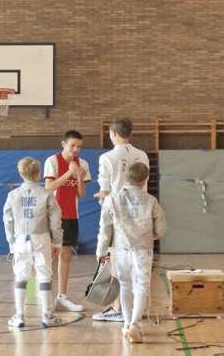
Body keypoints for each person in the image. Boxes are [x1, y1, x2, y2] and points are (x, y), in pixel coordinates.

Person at [95, 162, 166, 343]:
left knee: (125, 285)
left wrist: (101, 250)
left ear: (124, 178)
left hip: (121, 249)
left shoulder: (112, 198)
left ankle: (126, 324)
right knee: (142, 285)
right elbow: (161, 227)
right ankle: (134, 323)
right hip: (143, 249)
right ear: (144, 181)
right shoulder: (151, 200)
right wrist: (154, 235)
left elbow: (105, 228)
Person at [91, 118, 149, 323]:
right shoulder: (142, 155)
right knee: (138, 263)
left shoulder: (107, 157)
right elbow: (142, 185)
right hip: (140, 211)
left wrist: (101, 197)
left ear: (113, 133)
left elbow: (105, 191)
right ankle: (136, 307)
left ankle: (118, 308)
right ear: (130, 133)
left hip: (117, 211)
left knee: (117, 260)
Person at [4, 157, 65, 328]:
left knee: (21, 276)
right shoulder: (47, 194)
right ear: (38, 174)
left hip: (21, 239)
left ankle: (19, 316)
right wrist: (57, 243)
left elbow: (8, 221)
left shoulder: (13, 195)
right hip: (42, 238)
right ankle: (48, 315)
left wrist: (11, 243)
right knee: (44, 275)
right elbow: (55, 221)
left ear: (21, 173)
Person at [43, 130, 90, 313]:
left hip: (71, 215)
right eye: (72, 145)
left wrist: (79, 178)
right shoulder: (52, 161)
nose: (76, 149)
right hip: (53, 216)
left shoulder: (83, 163)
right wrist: (69, 173)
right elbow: (49, 187)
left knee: (66, 255)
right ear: (64, 144)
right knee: (48, 257)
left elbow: (81, 194)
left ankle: (61, 296)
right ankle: (42, 297)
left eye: (79, 146)